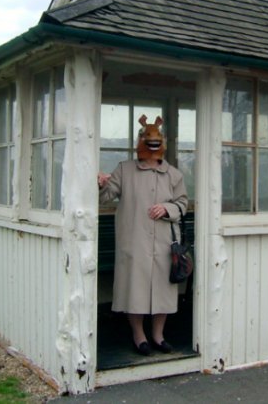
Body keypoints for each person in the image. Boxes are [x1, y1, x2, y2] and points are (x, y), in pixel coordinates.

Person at [98, 115, 188, 356]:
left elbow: (183, 204)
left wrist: (167, 209)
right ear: (140, 141)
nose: (152, 145)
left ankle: (158, 336)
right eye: (148, 140)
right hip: (134, 241)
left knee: (163, 291)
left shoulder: (174, 175)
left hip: (164, 242)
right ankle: (139, 336)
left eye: (157, 140)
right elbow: (105, 196)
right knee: (134, 289)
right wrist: (100, 184)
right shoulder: (124, 170)